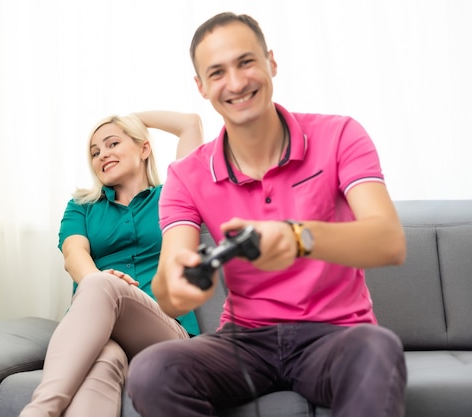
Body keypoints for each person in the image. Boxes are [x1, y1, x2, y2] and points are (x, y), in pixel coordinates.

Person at [127, 12, 408, 417]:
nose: (237, 83)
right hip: (244, 341)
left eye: (246, 62)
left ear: (271, 62)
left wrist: (297, 237)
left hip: (336, 335)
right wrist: (177, 287)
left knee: (377, 349)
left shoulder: (340, 135)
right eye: (218, 72)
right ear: (201, 87)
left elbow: (389, 241)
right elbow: (169, 291)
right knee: (152, 370)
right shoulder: (185, 176)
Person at [18, 110, 203, 417]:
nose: (102, 154)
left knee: (103, 284)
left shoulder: (174, 194)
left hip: (165, 328)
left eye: (112, 143)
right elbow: (73, 254)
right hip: (100, 333)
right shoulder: (81, 206)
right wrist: (99, 281)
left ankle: (37, 412)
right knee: (102, 361)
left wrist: (129, 117)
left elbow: (190, 125)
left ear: (144, 148)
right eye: (95, 152)